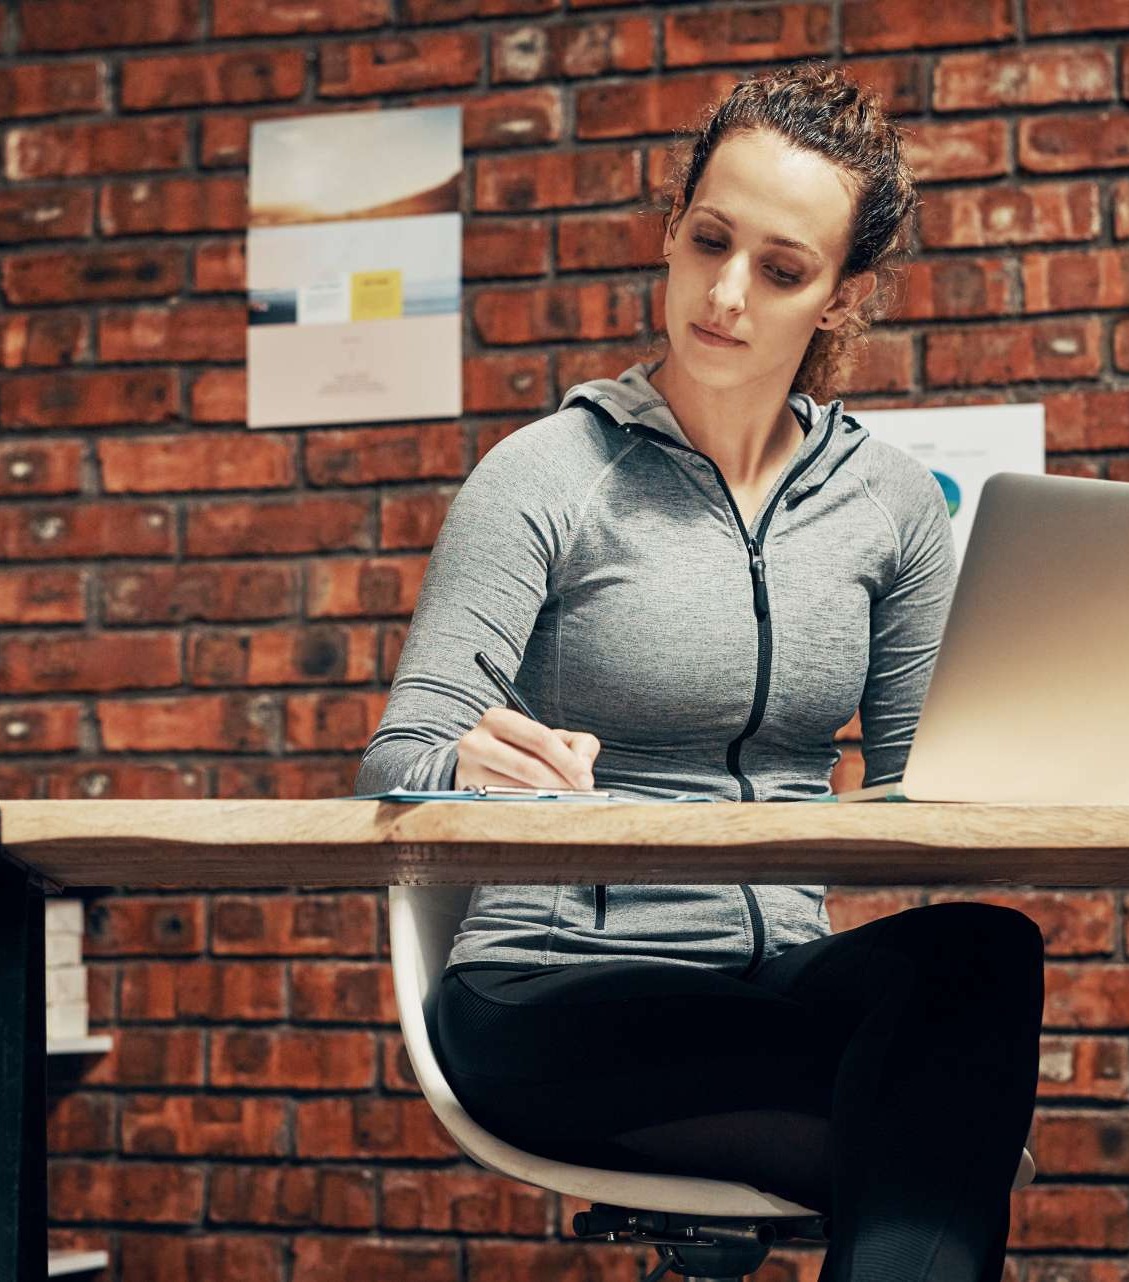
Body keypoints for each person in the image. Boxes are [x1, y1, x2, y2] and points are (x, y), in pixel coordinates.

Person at [356, 60, 1044, 1282]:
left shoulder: (887, 504)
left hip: (770, 981)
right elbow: (395, 758)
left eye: (780, 270)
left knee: (980, 957)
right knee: (938, 1140)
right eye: (709, 241)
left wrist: (1057, 742)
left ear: (840, 299)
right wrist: (463, 762)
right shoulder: (548, 474)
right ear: (670, 231)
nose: (725, 295)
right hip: (552, 990)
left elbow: (926, 793)